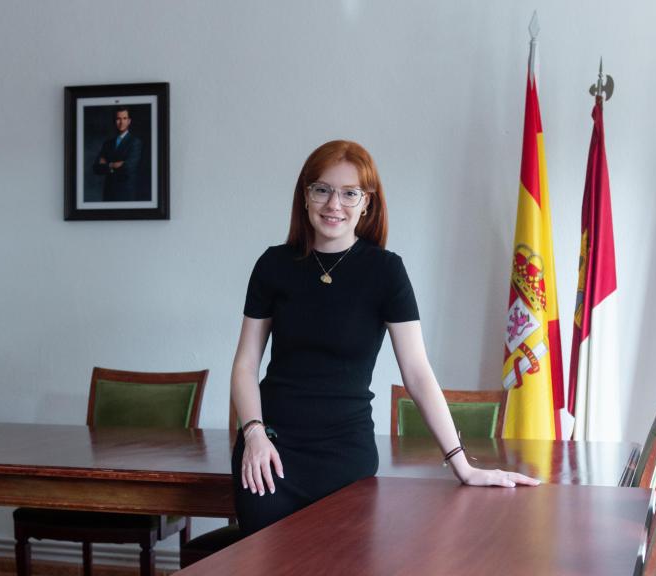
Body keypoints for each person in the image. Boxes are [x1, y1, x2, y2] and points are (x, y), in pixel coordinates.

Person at [230, 140, 540, 535]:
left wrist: (461, 463)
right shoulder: (273, 265)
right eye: (322, 189)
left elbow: (418, 372)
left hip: (346, 460)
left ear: (367, 203)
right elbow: (244, 364)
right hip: (270, 455)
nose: (333, 205)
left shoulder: (386, 272)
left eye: (349, 193)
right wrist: (253, 432)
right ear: (305, 196)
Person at [91, 107, 143, 201]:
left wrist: (107, 164)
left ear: (129, 121)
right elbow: (96, 168)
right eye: (118, 119)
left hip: (125, 193)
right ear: (115, 121)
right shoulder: (108, 144)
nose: (121, 122)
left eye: (124, 118)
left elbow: (128, 167)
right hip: (109, 193)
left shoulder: (135, 142)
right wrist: (114, 165)